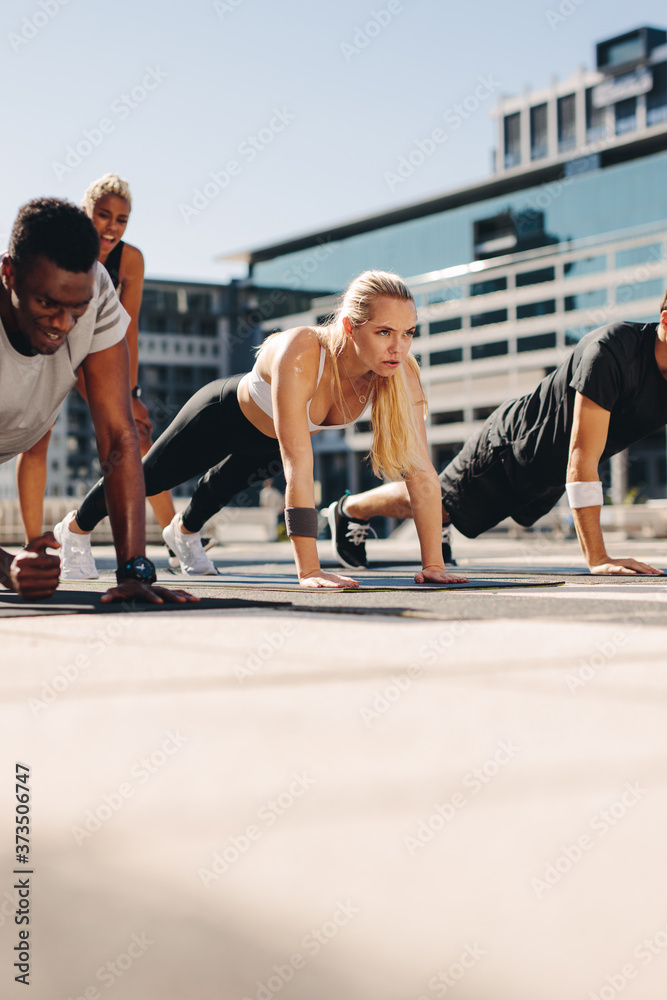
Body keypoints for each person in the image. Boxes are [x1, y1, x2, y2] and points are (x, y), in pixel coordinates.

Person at [63, 270, 469, 588]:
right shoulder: (303, 350)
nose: (399, 347)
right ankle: (74, 530)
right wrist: (309, 569)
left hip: (271, 442)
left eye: (408, 333)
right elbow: (298, 463)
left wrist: (432, 565)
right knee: (148, 477)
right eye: (384, 332)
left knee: (218, 491)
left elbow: (421, 473)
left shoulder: (400, 374)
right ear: (349, 326)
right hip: (223, 416)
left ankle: (183, 534)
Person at [328, 296, 667, 576]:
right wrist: (599, 558)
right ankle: (350, 509)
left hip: (551, 470)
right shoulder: (613, 351)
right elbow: (581, 458)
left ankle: (430, 522)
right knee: (442, 505)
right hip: (511, 447)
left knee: (446, 508)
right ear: (665, 321)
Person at [0, 197, 195, 604]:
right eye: (47, 304)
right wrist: (5, 568)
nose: (63, 325)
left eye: (77, 309)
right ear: (9, 272)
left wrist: (133, 571)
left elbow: (117, 434)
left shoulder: (98, 288)